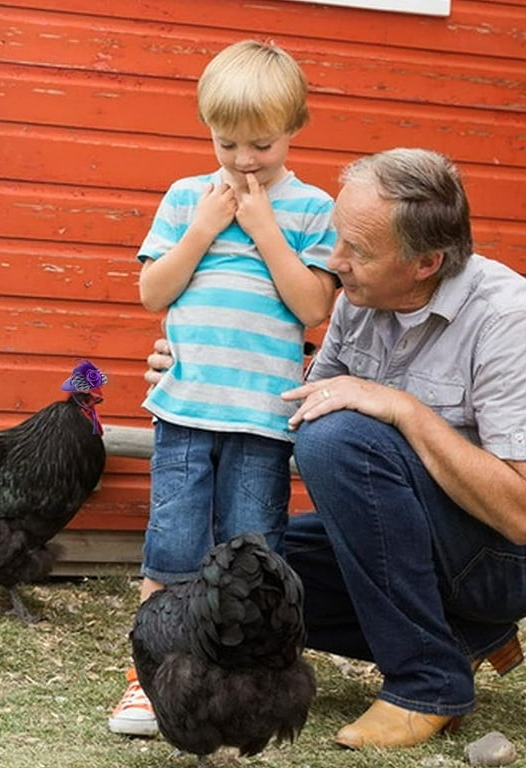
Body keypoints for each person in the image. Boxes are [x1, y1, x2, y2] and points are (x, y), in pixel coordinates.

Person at [142, 146, 526, 749]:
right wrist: (207, 368)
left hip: (496, 561)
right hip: (414, 542)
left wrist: (401, 407)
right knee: (250, 566)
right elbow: (305, 398)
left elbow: (522, 516)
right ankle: (463, 634)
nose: (333, 259)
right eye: (337, 237)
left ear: (426, 261)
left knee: (340, 436)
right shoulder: (358, 301)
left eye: (358, 250)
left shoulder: (507, 319)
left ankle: (426, 683)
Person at [107, 39, 338, 737]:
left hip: (263, 421)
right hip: (185, 410)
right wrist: (205, 227)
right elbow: (154, 291)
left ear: (295, 128)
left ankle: (246, 688)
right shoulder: (186, 198)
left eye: (261, 143)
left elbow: (312, 308)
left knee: (253, 553)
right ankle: (149, 681)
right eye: (226, 141)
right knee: (172, 548)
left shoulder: (311, 209)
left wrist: (263, 228)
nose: (242, 159)